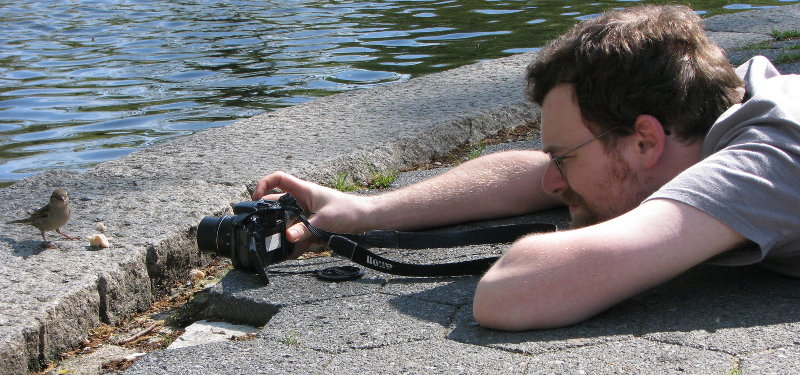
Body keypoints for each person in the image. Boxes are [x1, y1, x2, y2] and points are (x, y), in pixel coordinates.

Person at [252, 5, 800, 331]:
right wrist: (365, 210)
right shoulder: (730, 95)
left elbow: (516, 292)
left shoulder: (769, 159)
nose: (550, 183)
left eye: (564, 158)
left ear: (644, 140)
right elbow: (536, 175)